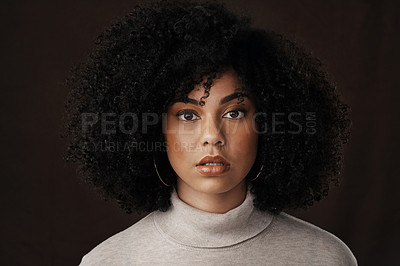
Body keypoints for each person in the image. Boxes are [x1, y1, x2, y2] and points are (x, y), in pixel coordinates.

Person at [64, 0, 357, 265]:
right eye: (188, 115)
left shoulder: (324, 257)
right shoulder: (108, 262)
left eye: (234, 113)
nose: (212, 136)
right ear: (155, 130)